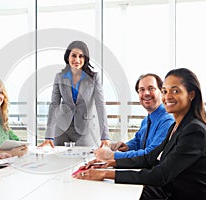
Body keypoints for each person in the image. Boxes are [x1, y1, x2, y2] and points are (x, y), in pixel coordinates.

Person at [74, 68, 206, 199]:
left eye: (175, 91)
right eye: (165, 91)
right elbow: (150, 158)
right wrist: (109, 164)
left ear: (191, 95)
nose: (168, 96)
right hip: (167, 190)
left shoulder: (194, 131)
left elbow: (161, 174)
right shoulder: (176, 126)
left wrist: (105, 174)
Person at [39, 40, 110, 147]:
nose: (77, 59)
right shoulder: (60, 77)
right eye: (74, 55)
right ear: (68, 57)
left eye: (81, 56)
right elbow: (54, 105)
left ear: (85, 58)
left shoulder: (94, 78)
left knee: (84, 159)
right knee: (59, 160)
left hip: (84, 128)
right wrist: (49, 135)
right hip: (62, 127)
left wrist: (105, 136)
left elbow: (100, 106)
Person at [94, 74, 174, 160]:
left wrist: (112, 156)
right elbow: (138, 141)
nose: (146, 93)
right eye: (142, 90)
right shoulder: (146, 120)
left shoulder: (167, 120)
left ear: (161, 92)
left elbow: (151, 154)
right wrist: (127, 146)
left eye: (151, 88)